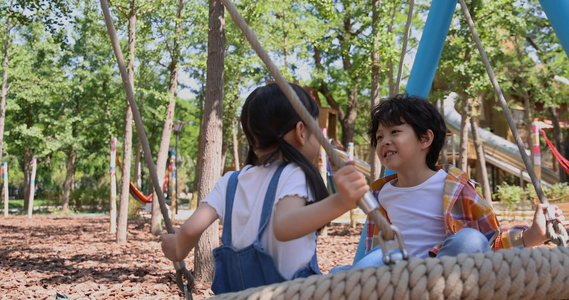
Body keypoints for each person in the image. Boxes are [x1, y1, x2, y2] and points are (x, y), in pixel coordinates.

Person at [161, 82, 368, 294]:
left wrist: (177, 248)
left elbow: (191, 229)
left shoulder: (230, 181)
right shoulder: (294, 174)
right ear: (301, 131)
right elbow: (284, 226)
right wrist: (340, 202)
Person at [333, 94, 565, 272]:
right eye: (380, 136)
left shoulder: (453, 187)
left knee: (471, 238)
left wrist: (533, 235)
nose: (384, 141)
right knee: (346, 269)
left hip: (443, 273)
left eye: (394, 131)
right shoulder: (381, 194)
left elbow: (489, 242)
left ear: (425, 138)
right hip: (399, 277)